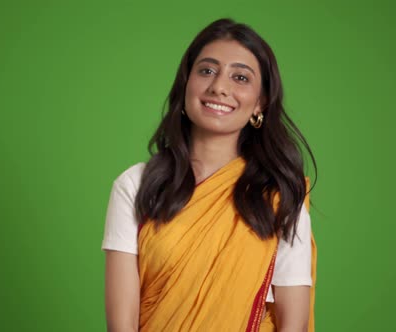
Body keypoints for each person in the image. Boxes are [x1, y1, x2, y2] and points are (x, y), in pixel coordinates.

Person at [102, 18, 317, 332]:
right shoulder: (136, 186)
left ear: (260, 103)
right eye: (206, 70)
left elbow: (292, 323)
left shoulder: (280, 195)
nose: (219, 86)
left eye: (240, 77)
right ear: (186, 85)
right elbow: (121, 325)